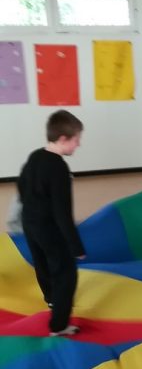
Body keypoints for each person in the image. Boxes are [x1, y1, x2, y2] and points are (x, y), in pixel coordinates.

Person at [18, 110, 86, 337]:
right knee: (66, 273)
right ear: (63, 139)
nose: (79, 145)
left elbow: (22, 186)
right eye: (76, 140)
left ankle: (51, 299)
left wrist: (33, 208)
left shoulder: (36, 155)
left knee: (42, 264)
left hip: (30, 222)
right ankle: (59, 325)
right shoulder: (59, 168)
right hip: (48, 227)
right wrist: (75, 246)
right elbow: (62, 212)